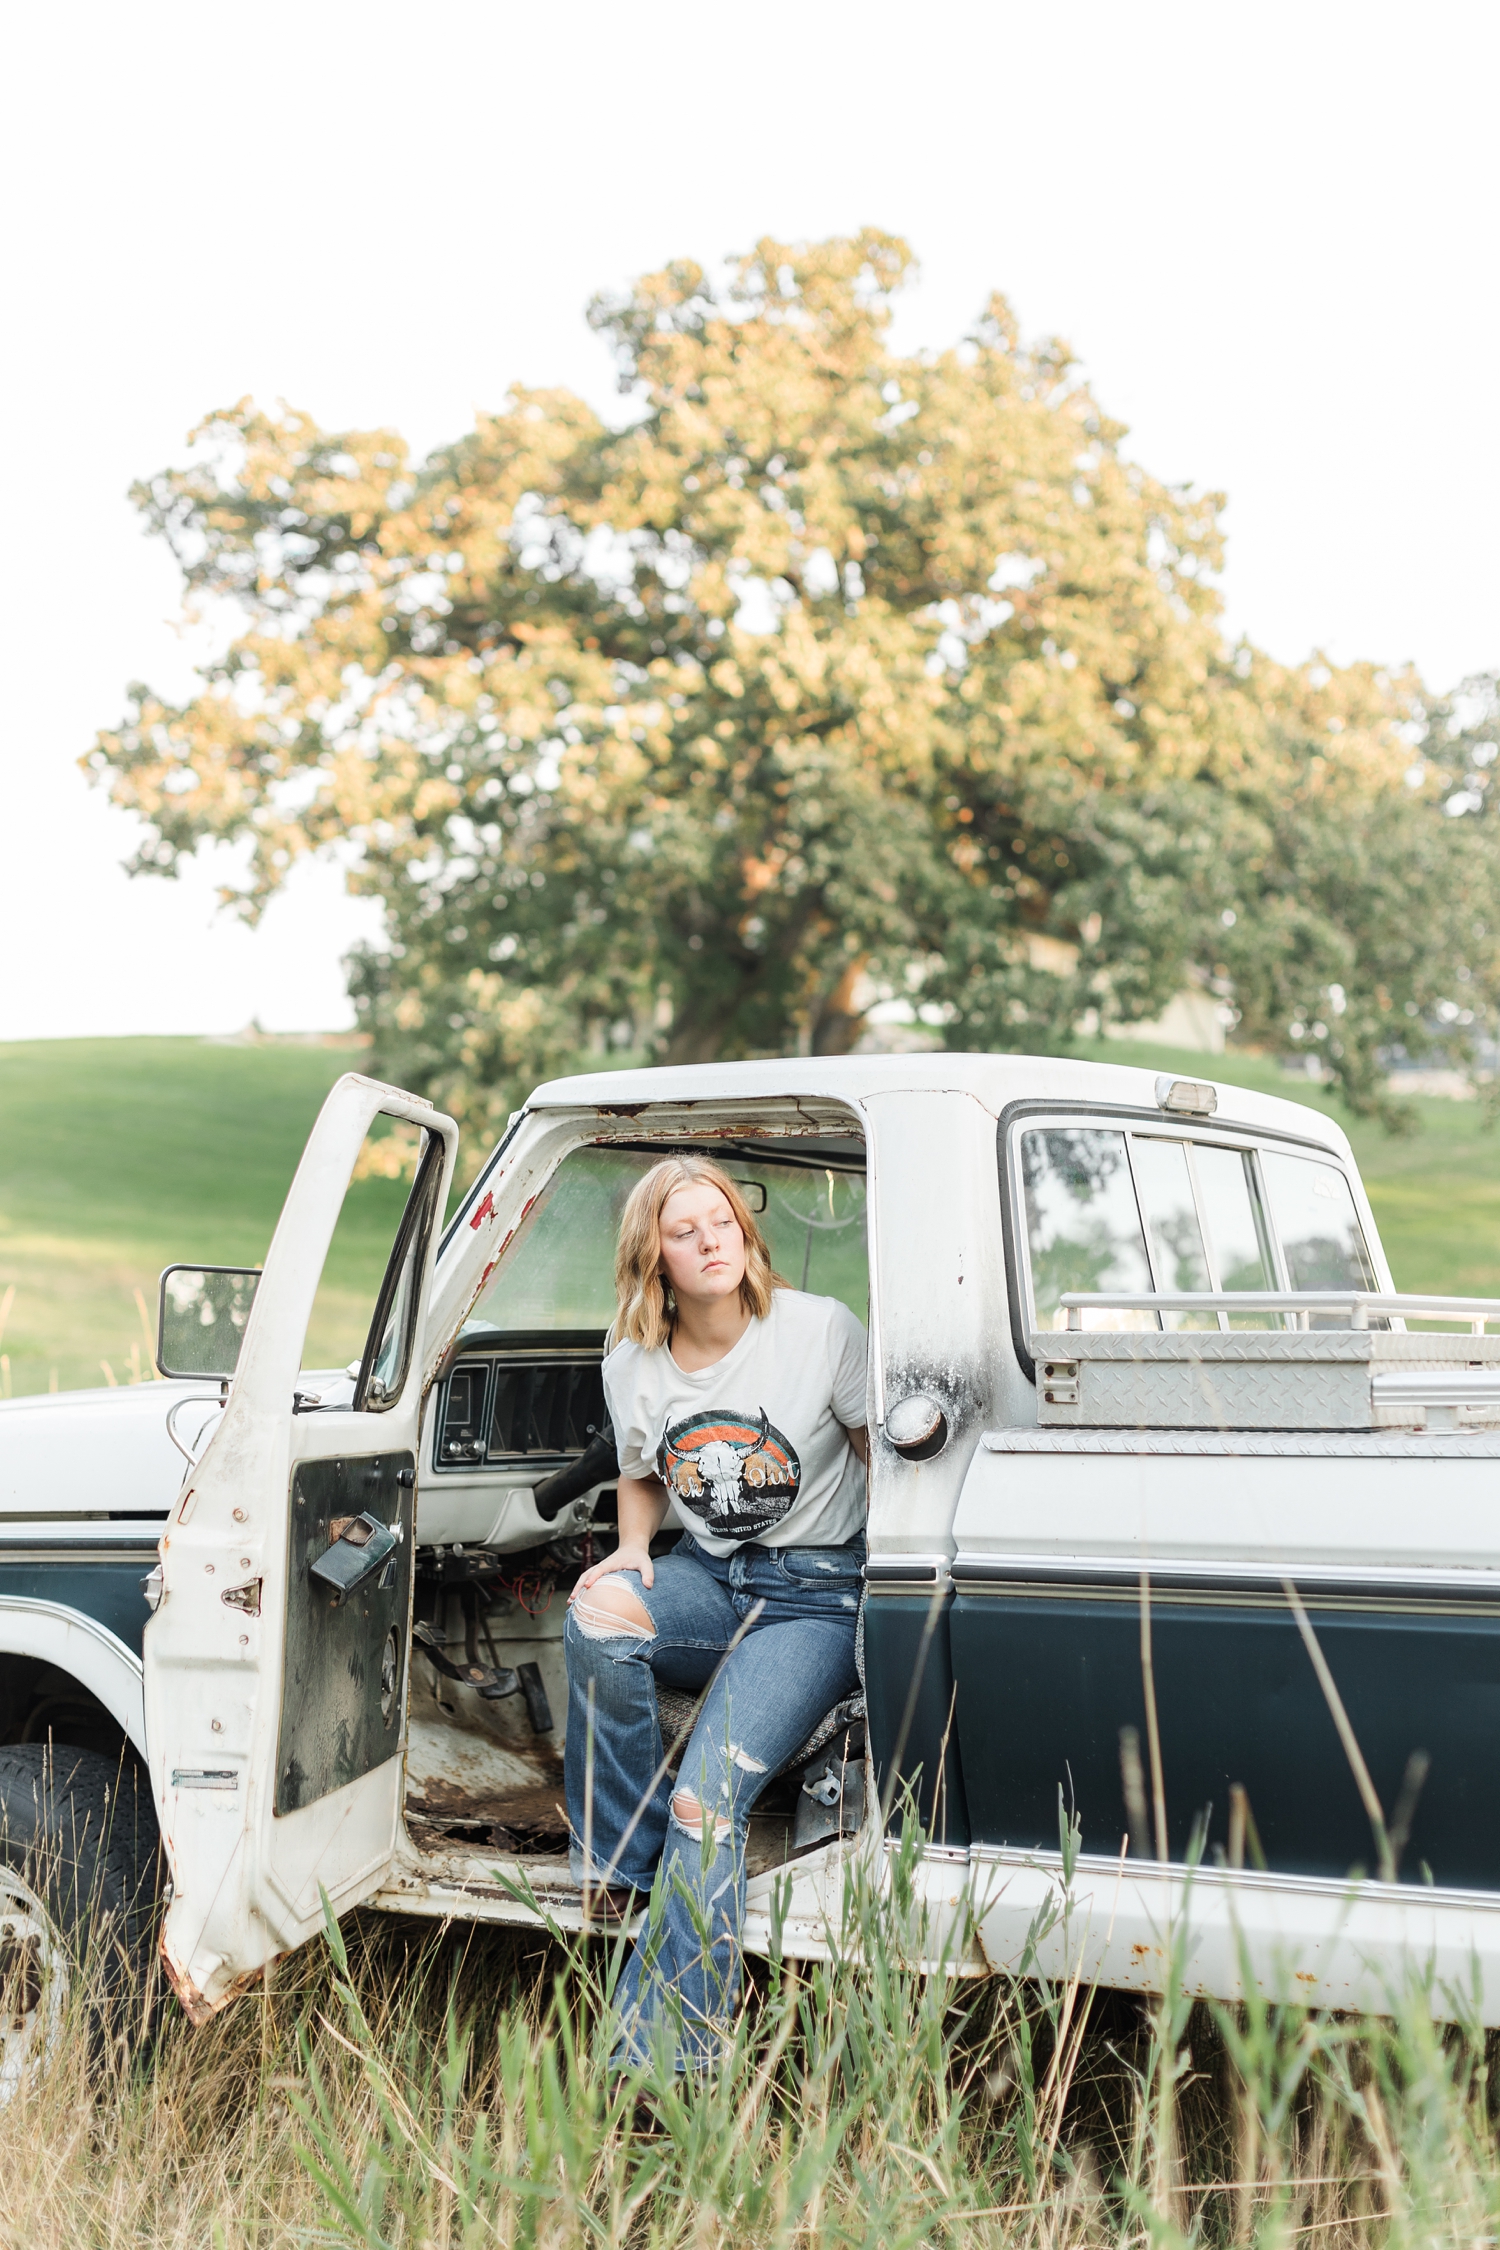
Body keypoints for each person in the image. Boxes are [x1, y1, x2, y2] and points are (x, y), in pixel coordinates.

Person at [563, 1154, 869, 2077]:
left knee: (707, 1801)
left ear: (745, 1234)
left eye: (721, 1223)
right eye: (684, 1229)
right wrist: (628, 1550)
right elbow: (645, 1467)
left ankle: (662, 2068)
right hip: (711, 1575)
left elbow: (879, 1449)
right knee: (600, 1614)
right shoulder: (633, 1361)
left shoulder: (819, 1331)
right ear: (652, 1253)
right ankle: (621, 1859)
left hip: (816, 1597)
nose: (709, 1243)